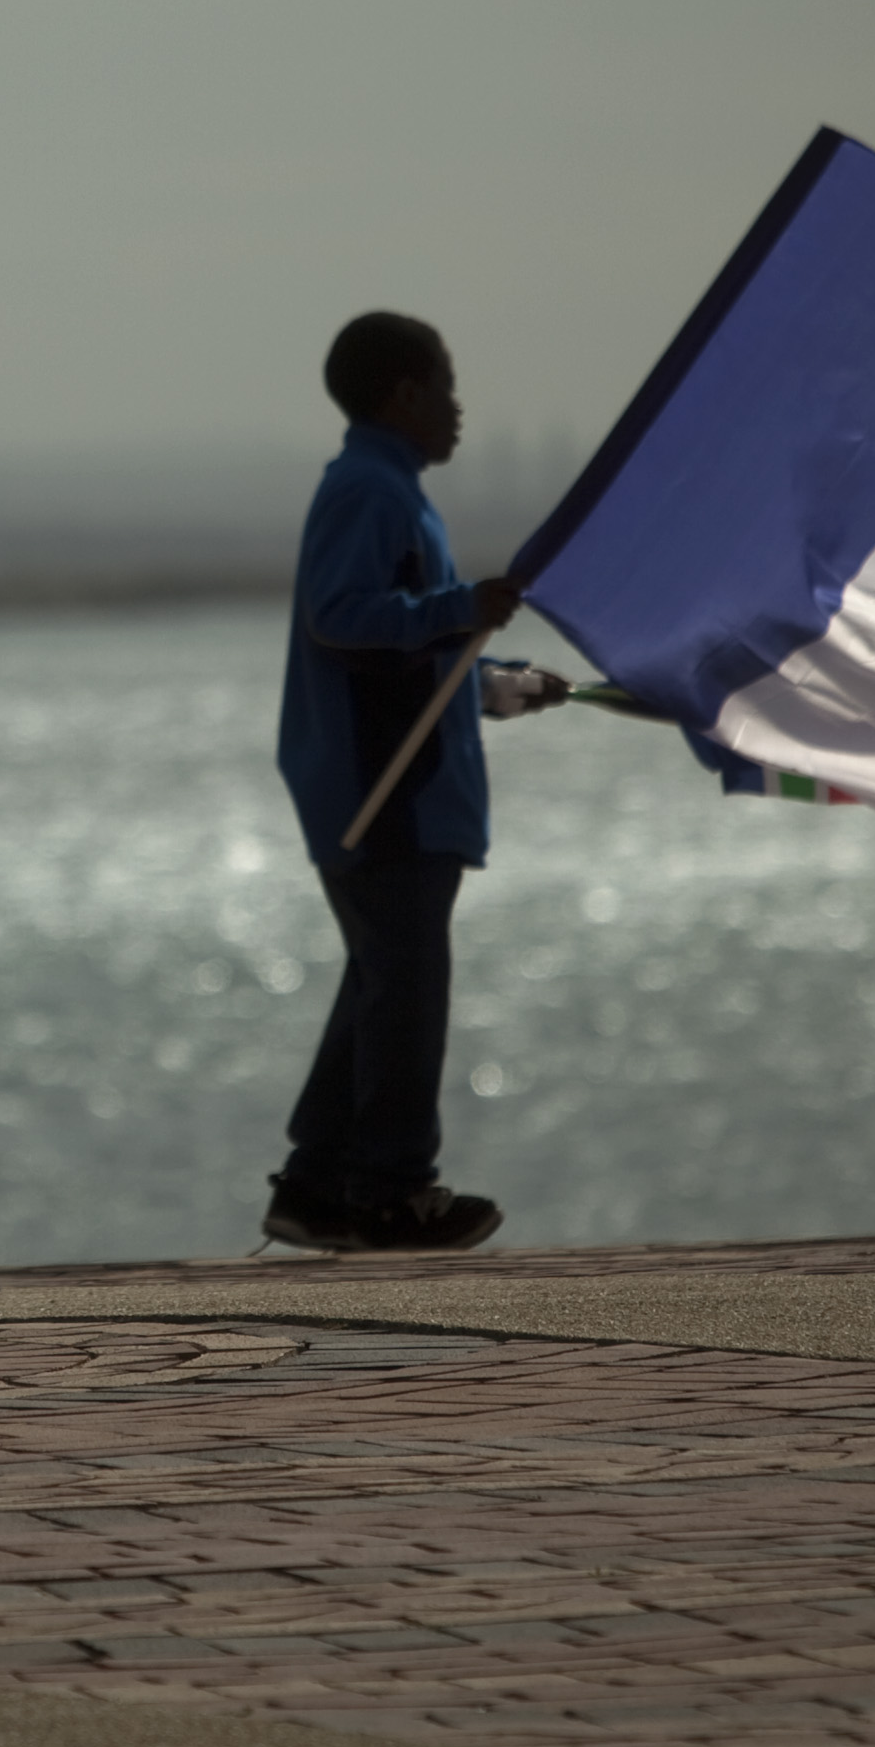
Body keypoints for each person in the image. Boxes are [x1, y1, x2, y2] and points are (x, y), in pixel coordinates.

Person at [264, 310, 569, 1255]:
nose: (459, 408)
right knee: (405, 982)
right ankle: (395, 1187)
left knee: (380, 979)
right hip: (380, 795)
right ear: (403, 393)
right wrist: (457, 605)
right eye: (445, 384)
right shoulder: (369, 489)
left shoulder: (389, 490)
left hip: (390, 787)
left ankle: (316, 1187)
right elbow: (342, 617)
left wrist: (499, 684)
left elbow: (408, 659)